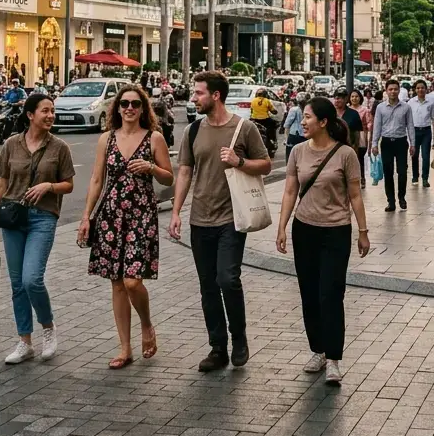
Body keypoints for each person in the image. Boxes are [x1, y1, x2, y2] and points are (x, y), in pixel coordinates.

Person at [169, 71, 271, 372]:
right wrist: (176, 212)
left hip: (232, 217)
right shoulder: (193, 130)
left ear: (215, 95)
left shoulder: (244, 127)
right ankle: (217, 349)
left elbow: (264, 164)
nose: (193, 98)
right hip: (200, 219)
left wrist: (239, 162)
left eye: (199, 93)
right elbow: (185, 171)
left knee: (227, 278)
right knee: (208, 286)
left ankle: (239, 337)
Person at [274, 96, 370, 387]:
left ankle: (334, 359)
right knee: (309, 294)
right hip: (304, 230)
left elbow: (355, 196)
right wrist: (281, 227)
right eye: (302, 117)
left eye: (307, 117)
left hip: (335, 232)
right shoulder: (298, 152)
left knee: (330, 294)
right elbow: (290, 191)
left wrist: (363, 232)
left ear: (324, 122)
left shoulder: (345, 155)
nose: (302, 122)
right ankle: (317, 350)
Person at [78, 85, 173, 369]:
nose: (129, 108)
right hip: (111, 215)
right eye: (124, 104)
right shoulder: (106, 139)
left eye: (134, 104)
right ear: (116, 109)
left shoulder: (154, 138)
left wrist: (152, 169)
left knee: (133, 280)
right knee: (118, 283)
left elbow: (169, 178)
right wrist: (86, 216)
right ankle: (124, 348)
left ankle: (146, 325)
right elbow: (97, 180)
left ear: (143, 109)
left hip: (141, 214)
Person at [0, 93, 75, 364]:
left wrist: (49, 186)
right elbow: (1, 184)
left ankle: (48, 328)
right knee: (17, 285)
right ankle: (25, 341)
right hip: (13, 217)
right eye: (45, 111)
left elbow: (68, 184)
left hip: (43, 217)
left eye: (52, 111)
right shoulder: (11, 144)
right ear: (30, 115)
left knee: (31, 279)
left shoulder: (59, 147)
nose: (50, 116)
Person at [372, 79, 412, 212]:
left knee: (402, 172)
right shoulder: (380, 107)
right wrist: (374, 143)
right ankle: (391, 201)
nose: (393, 92)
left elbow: (410, 126)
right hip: (387, 142)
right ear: (386, 91)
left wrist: (413, 144)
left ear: (399, 90)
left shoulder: (406, 107)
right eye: (390, 89)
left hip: (401, 142)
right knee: (388, 173)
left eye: (395, 89)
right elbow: (377, 126)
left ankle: (402, 197)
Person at [333, 89, 365, 189]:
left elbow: (357, 133)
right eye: (336, 98)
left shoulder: (353, 114)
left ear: (346, 99)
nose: (337, 101)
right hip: (332, 149)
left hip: (348, 148)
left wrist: (356, 148)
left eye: (340, 98)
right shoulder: (330, 113)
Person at [408, 79, 434, 188]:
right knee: (414, 155)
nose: (420, 90)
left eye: (422, 88)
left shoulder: (430, 103)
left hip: (426, 131)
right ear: (415, 90)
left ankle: (425, 178)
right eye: (418, 88)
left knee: (425, 156)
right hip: (414, 131)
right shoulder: (410, 102)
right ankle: (415, 176)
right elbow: (408, 119)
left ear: (426, 89)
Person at [283, 96, 306, 162]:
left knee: (291, 158)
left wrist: (286, 139)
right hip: (305, 136)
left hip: (294, 136)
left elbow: (287, 125)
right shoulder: (310, 109)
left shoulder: (294, 110)